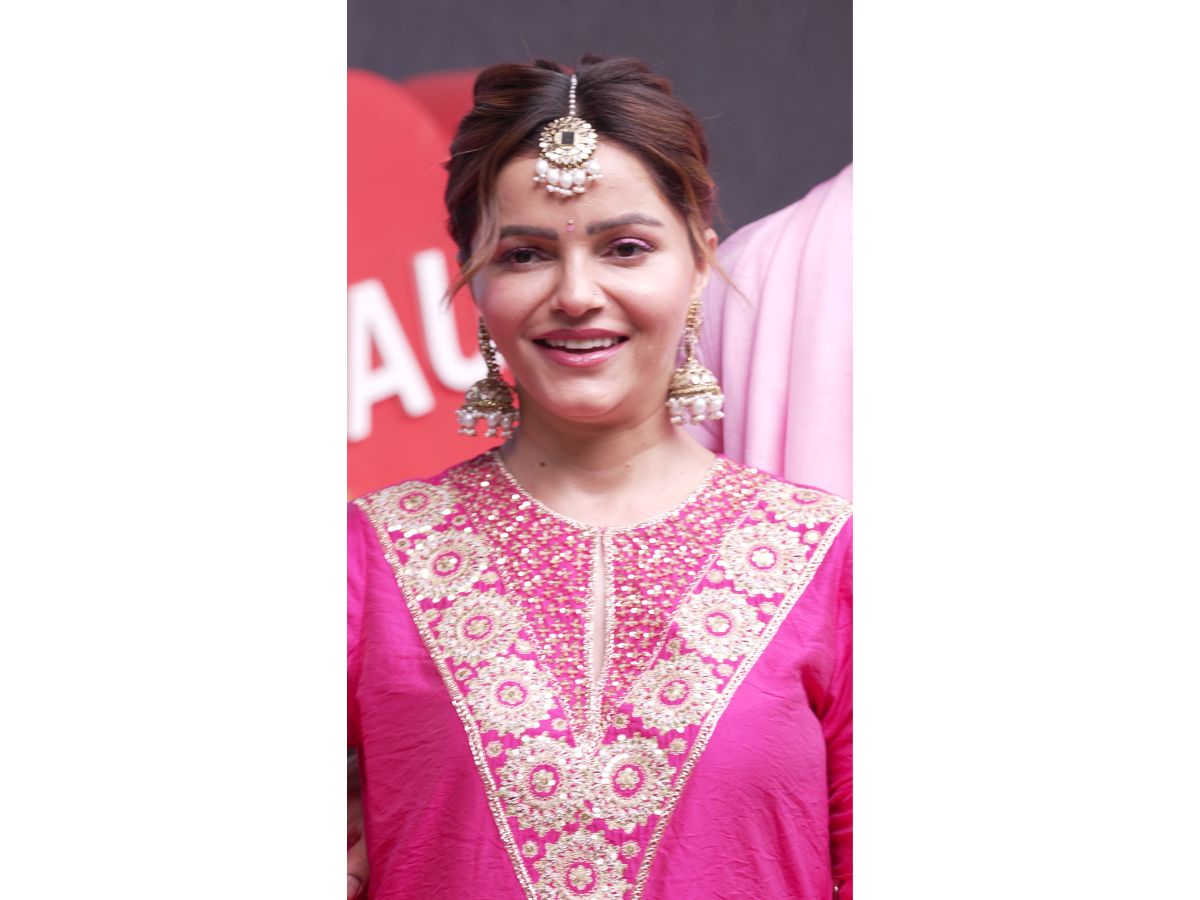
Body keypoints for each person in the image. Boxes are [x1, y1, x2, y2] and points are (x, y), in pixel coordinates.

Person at [348, 55, 852, 899]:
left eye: (625, 248)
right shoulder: (372, 555)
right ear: (474, 281)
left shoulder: (827, 558)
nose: (577, 294)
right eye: (525, 254)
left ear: (699, 264)